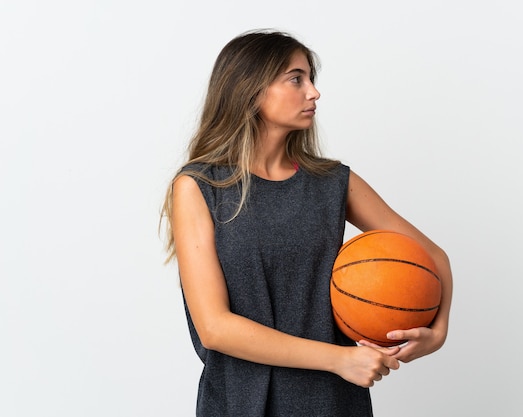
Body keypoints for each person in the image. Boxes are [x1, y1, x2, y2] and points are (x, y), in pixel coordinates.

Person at [161, 29, 453, 417]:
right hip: (242, 403)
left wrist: (437, 333)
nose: (314, 92)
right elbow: (215, 327)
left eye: (310, 80)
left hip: (333, 401)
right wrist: (339, 359)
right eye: (296, 79)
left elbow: (433, 256)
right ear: (250, 89)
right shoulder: (199, 187)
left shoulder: (333, 182)